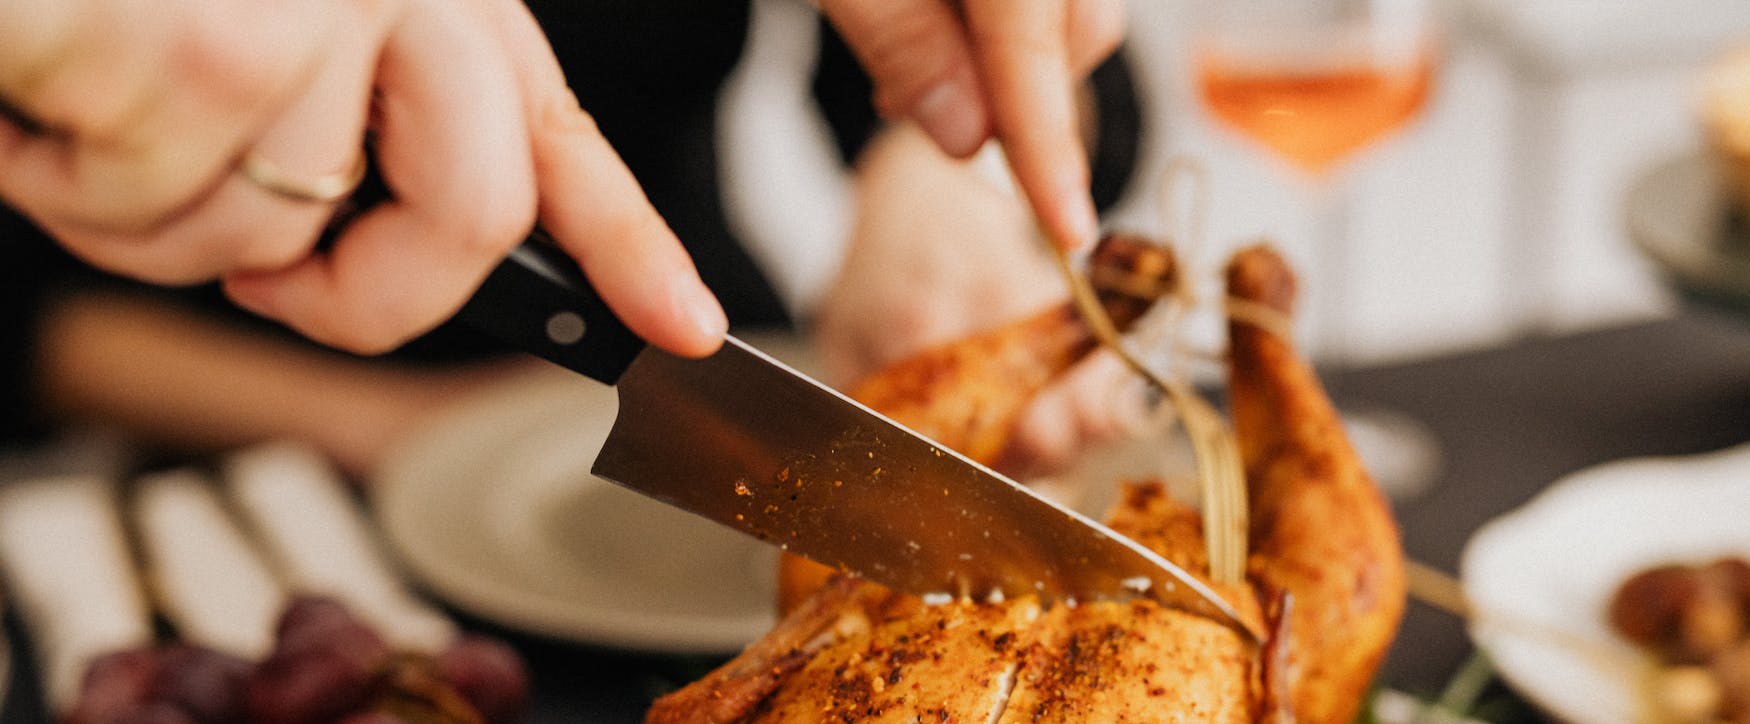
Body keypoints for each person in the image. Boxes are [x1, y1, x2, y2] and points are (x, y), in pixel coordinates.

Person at [0, 0, 1125, 359]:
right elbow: (22, 317)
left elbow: (1083, 87)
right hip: (213, 451)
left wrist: (945, 173)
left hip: (715, 371)